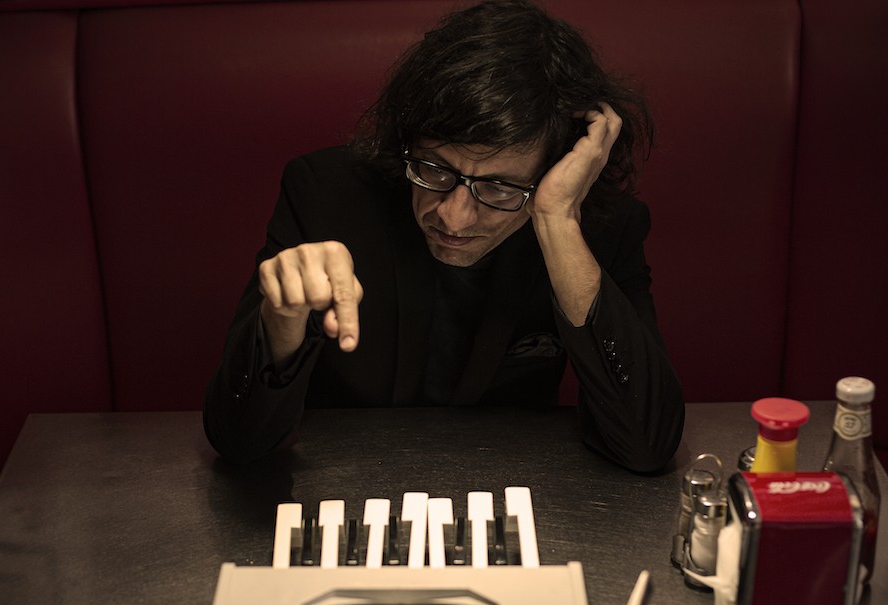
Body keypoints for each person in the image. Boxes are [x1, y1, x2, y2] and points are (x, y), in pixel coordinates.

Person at [203, 0, 683, 472]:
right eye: (434, 169)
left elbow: (647, 444)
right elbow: (238, 441)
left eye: (500, 187)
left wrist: (557, 220)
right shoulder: (324, 195)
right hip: (341, 487)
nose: (454, 217)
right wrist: (281, 321)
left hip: (512, 492)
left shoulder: (595, 228)